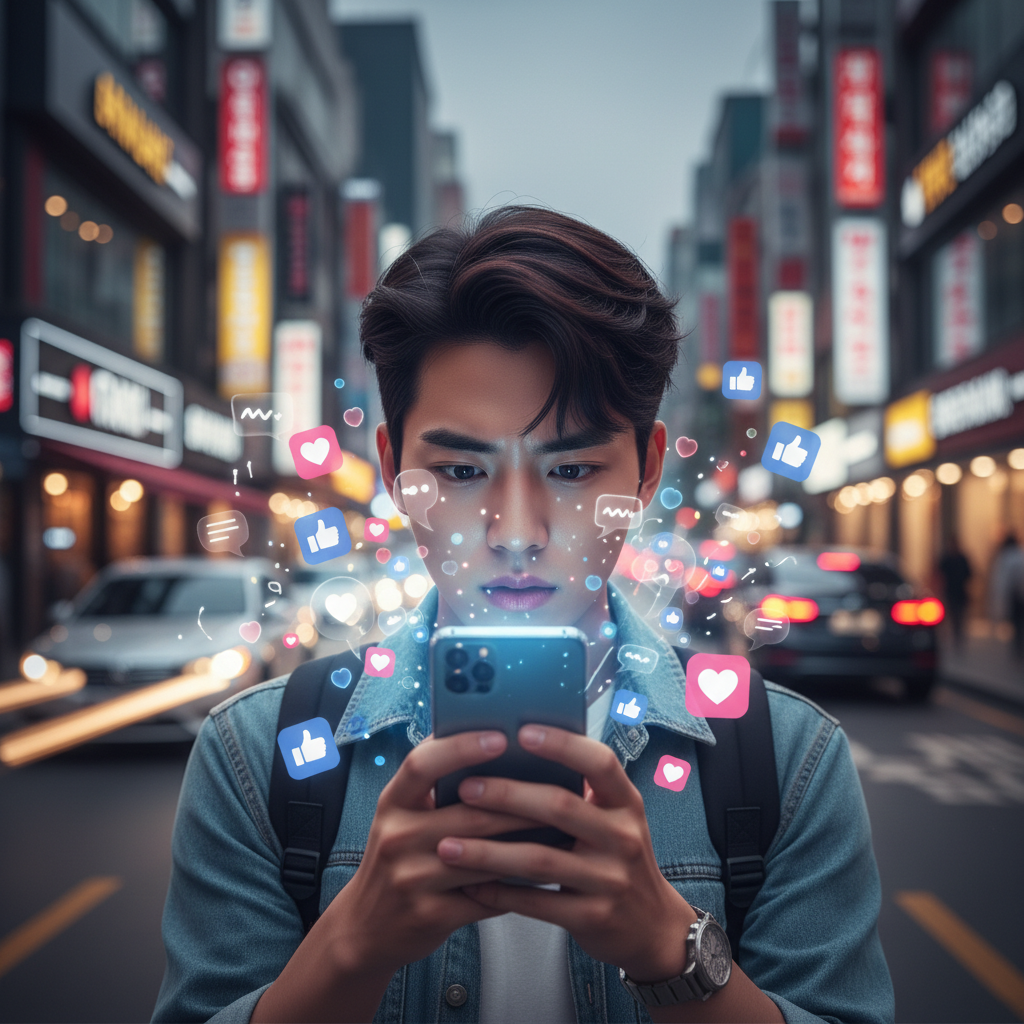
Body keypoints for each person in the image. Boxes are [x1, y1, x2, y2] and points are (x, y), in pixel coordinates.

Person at [153, 207, 893, 1024]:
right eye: (462, 469)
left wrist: (669, 947)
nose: (515, 533)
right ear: (395, 472)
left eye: (572, 468)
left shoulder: (789, 760)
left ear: (645, 472)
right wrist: (351, 945)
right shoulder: (253, 759)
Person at [990, 533, 1024, 658]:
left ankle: (1017, 651)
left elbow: (1002, 582)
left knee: (1017, 625)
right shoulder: (1020, 555)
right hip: (1020, 596)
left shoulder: (1006, 557)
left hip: (1014, 597)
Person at [937, 538, 972, 646]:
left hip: (960, 592)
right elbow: (939, 572)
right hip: (950, 592)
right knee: (952, 617)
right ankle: (954, 638)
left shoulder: (962, 559)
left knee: (959, 617)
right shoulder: (947, 559)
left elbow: (969, 573)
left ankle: (958, 638)